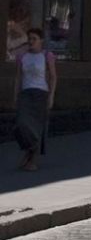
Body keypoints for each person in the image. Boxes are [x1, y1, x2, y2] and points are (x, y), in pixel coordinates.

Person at [12, 27, 56, 171]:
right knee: (21, 125)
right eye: (29, 39)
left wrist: (51, 96)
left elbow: (53, 76)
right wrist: (15, 96)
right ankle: (28, 151)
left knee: (36, 129)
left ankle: (32, 159)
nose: (31, 42)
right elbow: (18, 77)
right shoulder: (22, 56)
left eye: (34, 39)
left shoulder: (46, 56)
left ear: (41, 41)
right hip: (26, 94)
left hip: (40, 94)